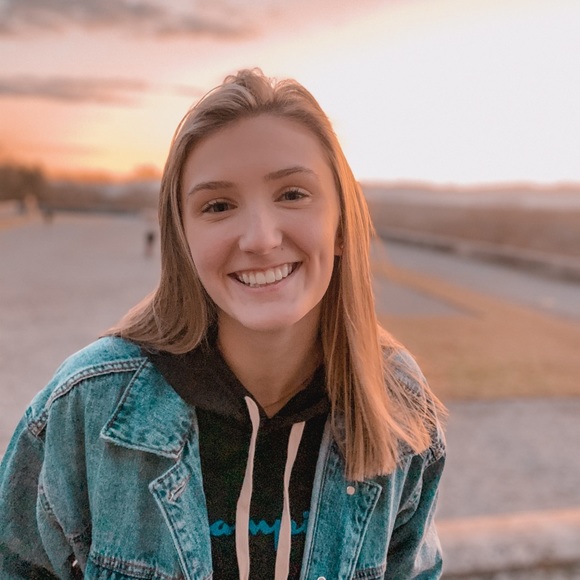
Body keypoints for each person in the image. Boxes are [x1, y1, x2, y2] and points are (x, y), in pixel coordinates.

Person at [0, 69, 446, 579]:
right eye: (218, 206)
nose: (260, 238)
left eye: (292, 194)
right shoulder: (88, 403)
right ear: (182, 239)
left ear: (341, 224)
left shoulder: (399, 405)